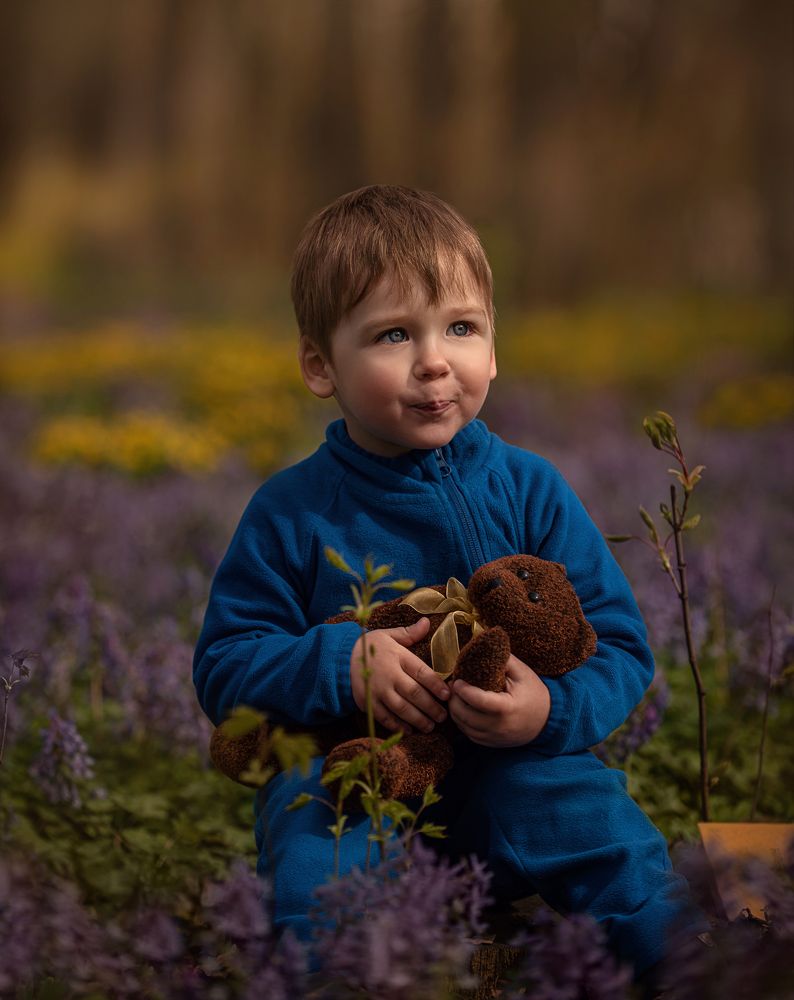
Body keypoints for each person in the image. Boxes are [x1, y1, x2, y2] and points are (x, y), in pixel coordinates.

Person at [193, 184, 705, 981]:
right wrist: (338, 665)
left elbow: (619, 645)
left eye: (461, 327)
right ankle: (337, 974)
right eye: (393, 334)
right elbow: (226, 666)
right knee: (313, 866)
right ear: (321, 365)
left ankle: (689, 965)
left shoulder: (530, 490)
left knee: (594, 824)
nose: (434, 360)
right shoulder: (291, 512)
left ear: (493, 350)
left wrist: (549, 711)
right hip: (352, 777)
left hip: (515, 770)